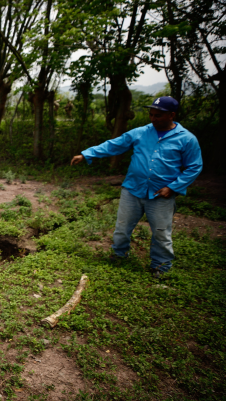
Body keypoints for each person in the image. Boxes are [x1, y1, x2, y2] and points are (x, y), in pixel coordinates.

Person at [71, 96, 203, 277]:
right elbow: (114, 145)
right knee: (122, 228)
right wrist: (86, 154)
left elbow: (194, 166)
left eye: (158, 115)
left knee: (161, 232)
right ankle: (119, 255)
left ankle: (160, 266)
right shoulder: (141, 132)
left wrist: (173, 187)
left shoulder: (187, 139)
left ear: (172, 115)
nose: (153, 119)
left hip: (161, 193)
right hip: (133, 189)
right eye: (151, 114)